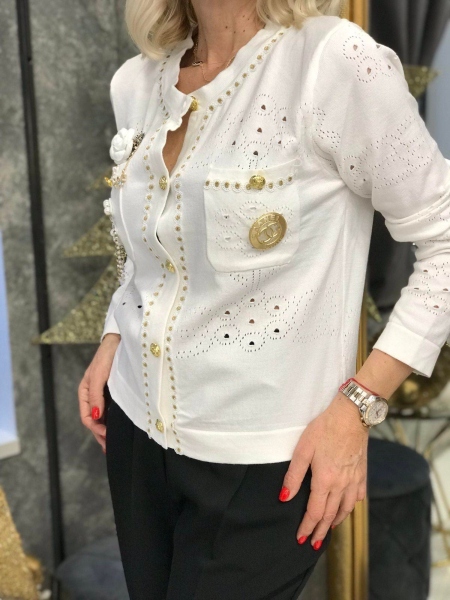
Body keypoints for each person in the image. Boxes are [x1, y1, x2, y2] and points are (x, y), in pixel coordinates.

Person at [78, 0, 450, 598]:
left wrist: (358, 406)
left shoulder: (332, 62)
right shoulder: (138, 82)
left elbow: (445, 239)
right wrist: (115, 332)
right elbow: (152, 246)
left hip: (267, 462)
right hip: (134, 430)